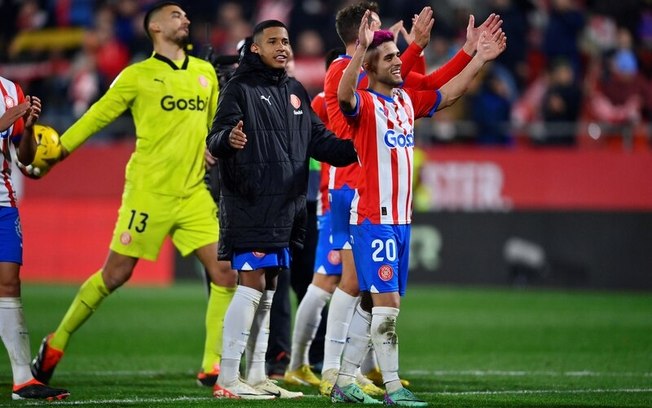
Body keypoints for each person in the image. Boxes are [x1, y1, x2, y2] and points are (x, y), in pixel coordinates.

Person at [30, 1, 238, 388]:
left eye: (185, 15)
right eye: (176, 15)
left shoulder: (205, 72)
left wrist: (216, 145)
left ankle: (212, 365)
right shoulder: (136, 75)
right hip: (149, 192)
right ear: (155, 27)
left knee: (224, 273)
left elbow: (213, 126)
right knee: (116, 274)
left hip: (192, 193)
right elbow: (96, 115)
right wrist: (56, 153)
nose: (186, 19)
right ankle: (55, 342)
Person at [318, 1, 503, 397]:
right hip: (370, 213)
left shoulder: (404, 102)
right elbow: (345, 93)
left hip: (401, 220)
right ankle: (389, 387)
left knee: (375, 303)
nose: (400, 61)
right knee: (382, 303)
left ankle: (343, 379)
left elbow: (447, 94)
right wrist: (363, 51)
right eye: (389, 57)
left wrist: (478, 58)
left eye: (398, 55)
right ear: (369, 64)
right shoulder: (363, 104)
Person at [206, 20, 358, 400]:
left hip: (287, 208)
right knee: (252, 284)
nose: (282, 47)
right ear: (255, 48)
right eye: (272, 41)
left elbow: (319, 140)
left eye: (286, 41)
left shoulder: (294, 91)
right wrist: (230, 138)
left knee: (270, 289)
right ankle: (228, 377)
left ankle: (257, 375)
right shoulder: (239, 88)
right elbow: (215, 137)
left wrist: (359, 147)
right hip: (250, 203)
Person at [0, 77, 70, 401]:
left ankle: (23, 380)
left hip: (3, 202)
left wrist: (27, 127)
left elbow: (24, 158)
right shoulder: (11, 102)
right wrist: (7, 118)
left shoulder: (11, 91)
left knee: (10, 283)